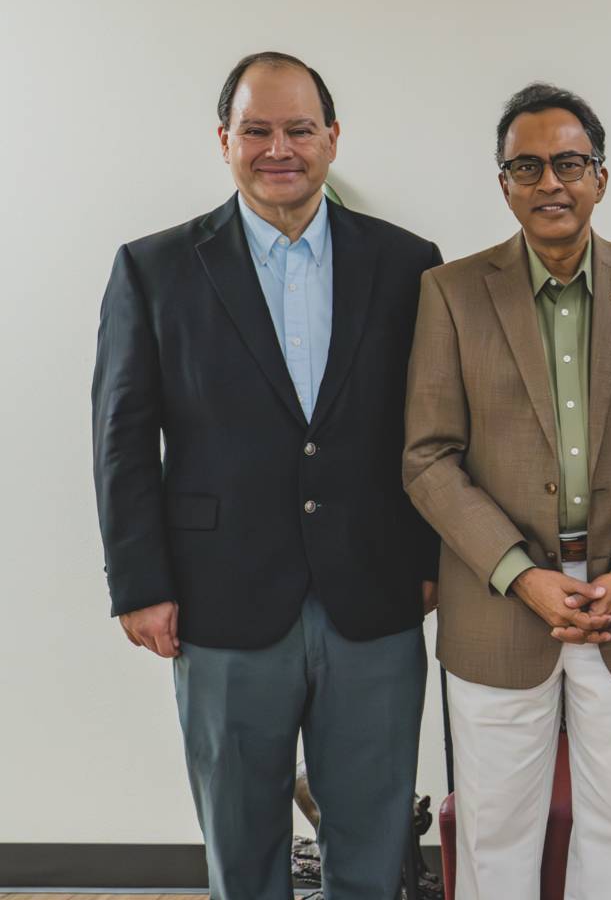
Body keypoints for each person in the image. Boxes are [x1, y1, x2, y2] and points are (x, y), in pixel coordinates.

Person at [93, 50, 442, 898]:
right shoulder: (154, 268)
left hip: (374, 595)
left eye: (299, 129)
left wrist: (431, 560)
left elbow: (434, 425)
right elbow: (123, 437)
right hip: (218, 599)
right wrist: (140, 583)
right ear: (224, 140)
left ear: (332, 139)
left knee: (373, 841)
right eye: (257, 130)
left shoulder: (408, 263)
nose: (278, 149)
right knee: (241, 848)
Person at [405, 82, 611, 898]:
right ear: (503, 183)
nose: (551, 182)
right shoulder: (451, 293)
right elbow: (429, 459)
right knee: (495, 838)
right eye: (528, 167)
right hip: (500, 603)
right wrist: (522, 574)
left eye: (570, 164)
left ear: (600, 177)